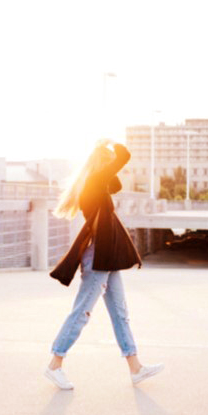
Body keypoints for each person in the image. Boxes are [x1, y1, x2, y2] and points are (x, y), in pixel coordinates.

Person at [45, 139, 163, 390]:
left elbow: (116, 184)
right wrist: (111, 145)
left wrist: (108, 159)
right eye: (108, 163)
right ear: (101, 163)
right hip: (97, 258)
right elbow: (125, 155)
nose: (113, 167)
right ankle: (55, 364)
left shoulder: (98, 185)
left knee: (120, 313)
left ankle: (135, 368)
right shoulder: (92, 183)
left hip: (106, 259)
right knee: (81, 313)